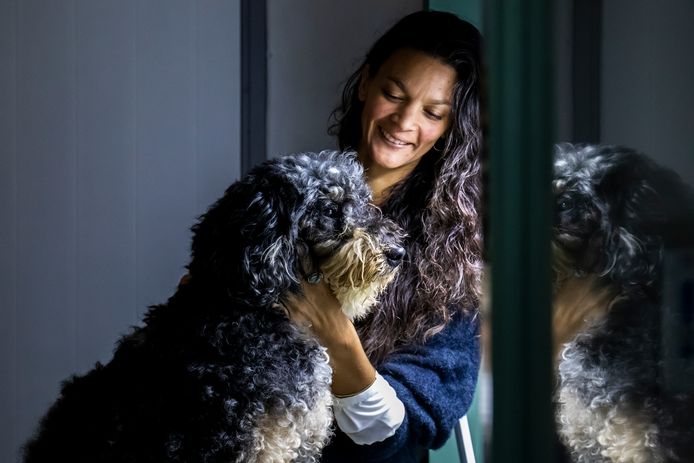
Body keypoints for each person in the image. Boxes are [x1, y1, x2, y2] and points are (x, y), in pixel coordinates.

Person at [283, 10, 484, 462]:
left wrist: (334, 333)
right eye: (393, 94)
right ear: (365, 84)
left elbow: (403, 433)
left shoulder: (456, 253)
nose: (404, 122)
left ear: (451, 127)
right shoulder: (289, 194)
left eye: (433, 113)